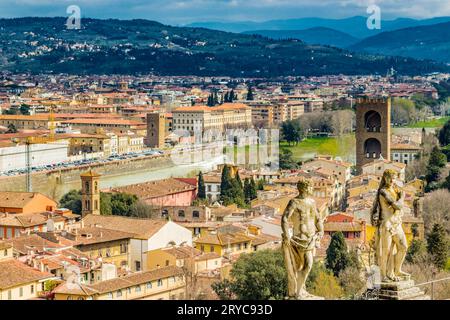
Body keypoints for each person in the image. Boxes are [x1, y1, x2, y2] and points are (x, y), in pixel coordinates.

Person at [281, 180, 324, 299]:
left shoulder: (312, 202)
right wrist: (287, 235)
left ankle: (300, 291)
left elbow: (317, 219)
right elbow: (284, 218)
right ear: (305, 188)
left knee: (306, 265)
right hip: (299, 239)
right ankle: (298, 292)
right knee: (305, 265)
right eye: (310, 187)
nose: (312, 189)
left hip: (311, 238)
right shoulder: (294, 202)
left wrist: (321, 230)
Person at [371, 169, 410, 282]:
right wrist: (402, 197)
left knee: (403, 247)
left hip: (396, 222)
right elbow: (397, 206)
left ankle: (397, 270)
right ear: (385, 178)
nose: (392, 180)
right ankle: (384, 275)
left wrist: (401, 195)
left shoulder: (395, 189)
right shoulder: (383, 192)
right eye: (390, 178)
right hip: (386, 224)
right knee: (386, 251)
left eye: (394, 178)